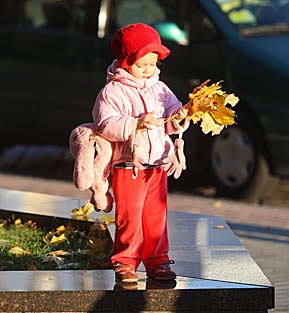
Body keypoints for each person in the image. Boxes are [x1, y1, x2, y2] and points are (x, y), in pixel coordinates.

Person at [91, 23, 189, 283]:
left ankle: (157, 260)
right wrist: (135, 124)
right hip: (128, 164)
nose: (148, 70)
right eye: (141, 64)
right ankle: (125, 260)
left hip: (157, 163)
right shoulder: (113, 92)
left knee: (156, 215)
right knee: (129, 217)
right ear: (125, 62)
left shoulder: (160, 88)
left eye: (152, 64)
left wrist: (179, 117)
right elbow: (105, 124)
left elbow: (171, 117)